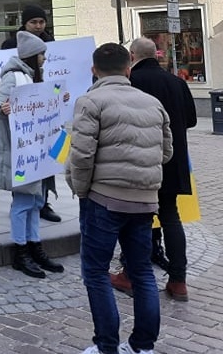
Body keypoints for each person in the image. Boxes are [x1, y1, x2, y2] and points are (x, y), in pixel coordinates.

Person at [66, 42, 172, 354]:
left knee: (96, 272)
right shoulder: (152, 103)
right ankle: (142, 346)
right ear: (129, 68)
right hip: (144, 199)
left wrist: (82, 189)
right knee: (142, 272)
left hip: (104, 198)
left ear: (94, 71)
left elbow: (81, 155)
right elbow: (167, 152)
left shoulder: (90, 101)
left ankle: (106, 345)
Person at [110, 37, 197, 302]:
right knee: (171, 217)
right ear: (156, 56)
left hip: (139, 161)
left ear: (132, 55)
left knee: (137, 219)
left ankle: (131, 274)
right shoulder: (176, 82)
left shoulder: (130, 82)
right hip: (172, 161)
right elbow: (191, 120)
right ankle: (178, 280)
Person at [0, 31, 65, 279]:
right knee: (23, 203)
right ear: (32, 56)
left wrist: (57, 100)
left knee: (36, 202)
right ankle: (20, 251)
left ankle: (34, 245)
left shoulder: (32, 76)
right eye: (41, 54)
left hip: (35, 149)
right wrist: (3, 108)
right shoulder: (14, 77)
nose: (44, 58)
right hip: (21, 151)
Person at [0, 5, 61, 223]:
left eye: (42, 22)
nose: (39, 26)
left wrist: (59, 97)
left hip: (42, 119)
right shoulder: (11, 46)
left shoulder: (50, 42)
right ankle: (20, 200)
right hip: (22, 121)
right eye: (34, 22)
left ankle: (43, 202)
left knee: (45, 159)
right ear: (25, 23)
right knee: (23, 161)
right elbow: (1, 91)